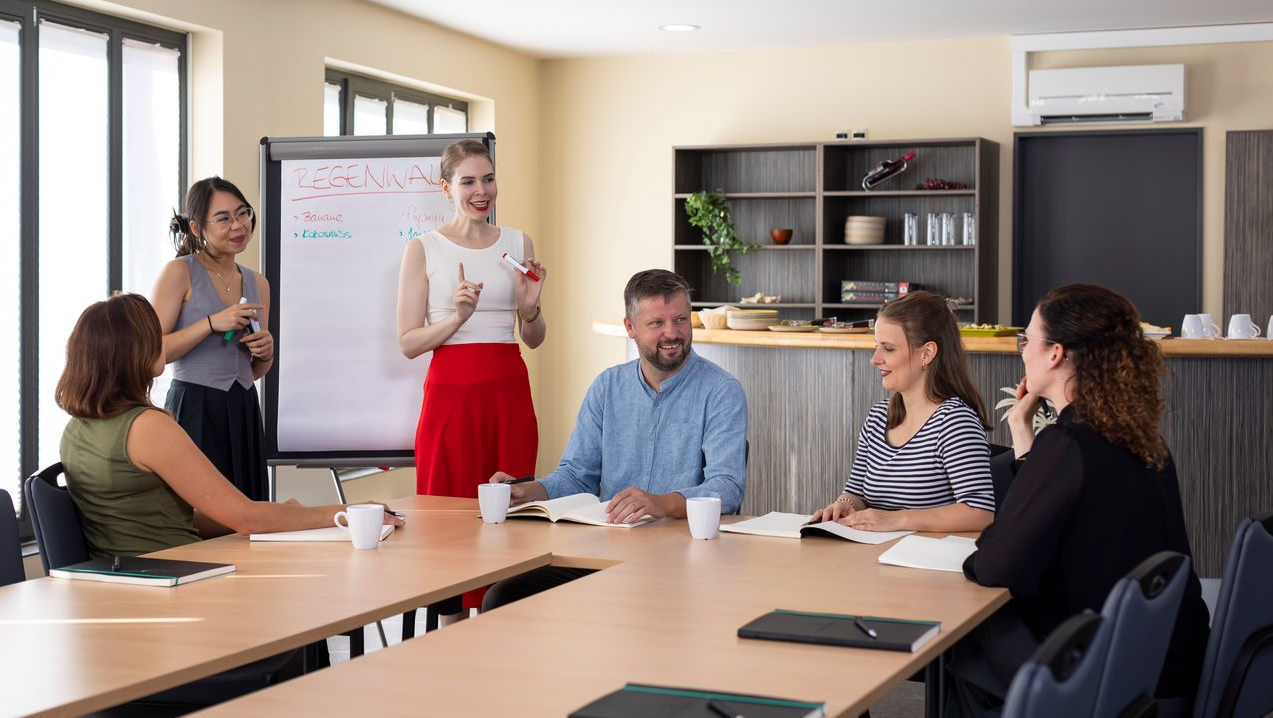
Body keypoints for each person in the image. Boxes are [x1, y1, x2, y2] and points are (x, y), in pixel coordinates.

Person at [948, 284, 1210, 716]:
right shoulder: (1138, 437)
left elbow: (996, 567)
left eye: (1026, 340)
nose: (1022, 351)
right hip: (1160, 666)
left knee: (970, 632)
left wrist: (977, 555)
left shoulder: (1068, 443)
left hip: (1094, 671)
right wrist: (1021, 430)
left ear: (1054, 353)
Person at [56, 294, 401, 559]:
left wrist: (281, 514)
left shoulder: (75, 431)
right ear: (134, 353)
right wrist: (349, 512)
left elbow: (169, 516)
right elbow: (246, 519)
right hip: (175, 577)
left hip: (126, 579)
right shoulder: (147, 428)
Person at [482, 268, 748, 610]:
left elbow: (727, 487)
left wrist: (661, 502)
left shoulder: (722, 391)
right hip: (604, 552)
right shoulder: (607, 387)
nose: (672, 333)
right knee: (503, 598)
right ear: (630, 328)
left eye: (681, 320)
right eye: (657, 324)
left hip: (685, 559)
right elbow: (577, 475)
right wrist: (528, 491)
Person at [396, 138, 546, 614]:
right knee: (451, 525)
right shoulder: (423, 248)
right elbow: (407, 342)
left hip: (508, 391)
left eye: (488, 179)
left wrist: (530, 307)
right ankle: (451, 647)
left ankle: (507, 635)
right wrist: (456, 319)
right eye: (468, 182)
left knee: (510, 517)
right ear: (446, 188)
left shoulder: (518, 242)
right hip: (450, 396)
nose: (482, 191)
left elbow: (535, 337)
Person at [813, 291, 995, 533]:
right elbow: (856, 492)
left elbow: (980, 512)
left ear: (927, 353)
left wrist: (895, 520)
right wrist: (842, 505)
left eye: (888, 348)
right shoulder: (878, 418)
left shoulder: (954, 421)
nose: (875, 359)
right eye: (876, 346)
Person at [151, 177, 273, 501]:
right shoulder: (179, 272)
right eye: (223, 218)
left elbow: (253, 369)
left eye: (243, 213)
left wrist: (266, 353)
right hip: (194, 407)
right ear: (196, 228)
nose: (238, 225)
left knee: (250, 515)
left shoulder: (258, 283)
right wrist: (210, 323)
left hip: (244, 409)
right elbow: (150, 354)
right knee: (202, 516)